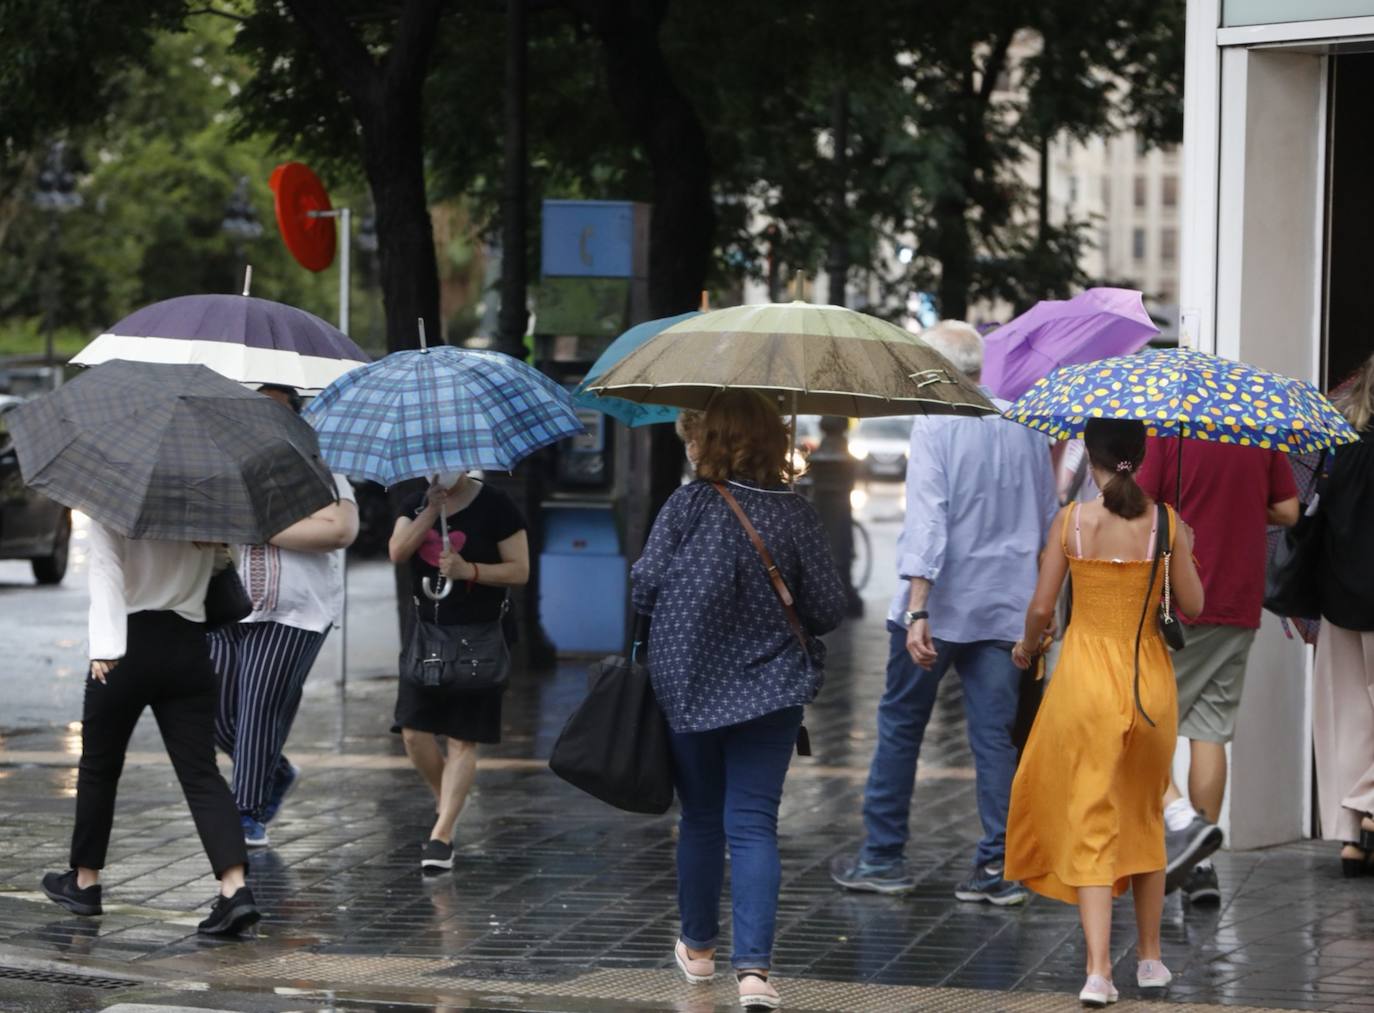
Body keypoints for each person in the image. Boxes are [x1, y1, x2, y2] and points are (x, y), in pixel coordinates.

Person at [632, 390, 846, 1013]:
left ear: (711, 439)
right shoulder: (795, 513)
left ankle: (698, 950)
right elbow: (828, 608)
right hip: (771, 692)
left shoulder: (687, 503)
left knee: (699, 817)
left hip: (688, 690)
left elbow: (644, 584)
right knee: (752, 825)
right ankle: (754, 974)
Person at [831, 320, 1057, 904]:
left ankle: (883, 857)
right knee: (995, 739)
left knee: (901, 728)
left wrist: (917, 609)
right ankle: (998, 867)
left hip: (939, 607)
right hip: (1006, 604)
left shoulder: (934, 423)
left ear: (934, 369)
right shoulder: (1024, 421)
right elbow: (1044, 513)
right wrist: (1043, 602)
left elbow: (929, 519)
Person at [1005, 418, 1204, 1007]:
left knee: (1093, 812)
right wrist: (1182, 545)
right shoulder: (1166, 522)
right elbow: (1193, 605)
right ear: (1141, 457)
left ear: (1089, 458)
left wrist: (1026, 646)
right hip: (1150, 687)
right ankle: (1150, 960)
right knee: (1144, 812)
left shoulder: (1072, 522)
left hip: (1085, 686)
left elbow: (1043, 608)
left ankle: (1097, 973)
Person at [41, 527, 260, 936]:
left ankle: (85, 882)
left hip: (126, 643)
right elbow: (218, 563)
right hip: (188, 645)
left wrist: (105, 647)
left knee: (99, 768)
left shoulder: (119, 503)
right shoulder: (200, 507)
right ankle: (235, 888)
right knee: (201, 773)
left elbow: (106, 570)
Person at [1135, 427, 1299, 903]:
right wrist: (1245, 508)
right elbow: (1288, 510)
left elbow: (1142, 506)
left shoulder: (1168, 434)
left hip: (1176, 602)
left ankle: (1178, 828)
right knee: (1210, 728)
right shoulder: (1258, 434)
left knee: (1143, 722)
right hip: (1238, 598)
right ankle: (1201, 865)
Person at [210, 384, 360, 848]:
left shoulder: (319, 467)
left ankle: (246, 813)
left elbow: (339, 529)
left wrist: (260, 528)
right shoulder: (221, 466)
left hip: (295, 611)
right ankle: (273, 770)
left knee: (259, 707)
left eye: (275, 408)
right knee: (207, 710)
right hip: (224, 603)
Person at [388, 471, 529, 872]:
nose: (441, 472)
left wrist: (471, 571)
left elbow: (520, 570)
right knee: (414, 732)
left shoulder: (497, 504)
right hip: (427, 637)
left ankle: (442, 835)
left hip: (481, 636)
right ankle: (447, 802)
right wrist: (431, 510)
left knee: (462, 739)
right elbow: (398, 551)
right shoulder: (415, 503)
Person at [1311, 353, 1374, 876]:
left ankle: (1351, 838)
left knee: (1346, 717)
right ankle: (1371, 802)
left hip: (1340, 596)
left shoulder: (1340, 446)